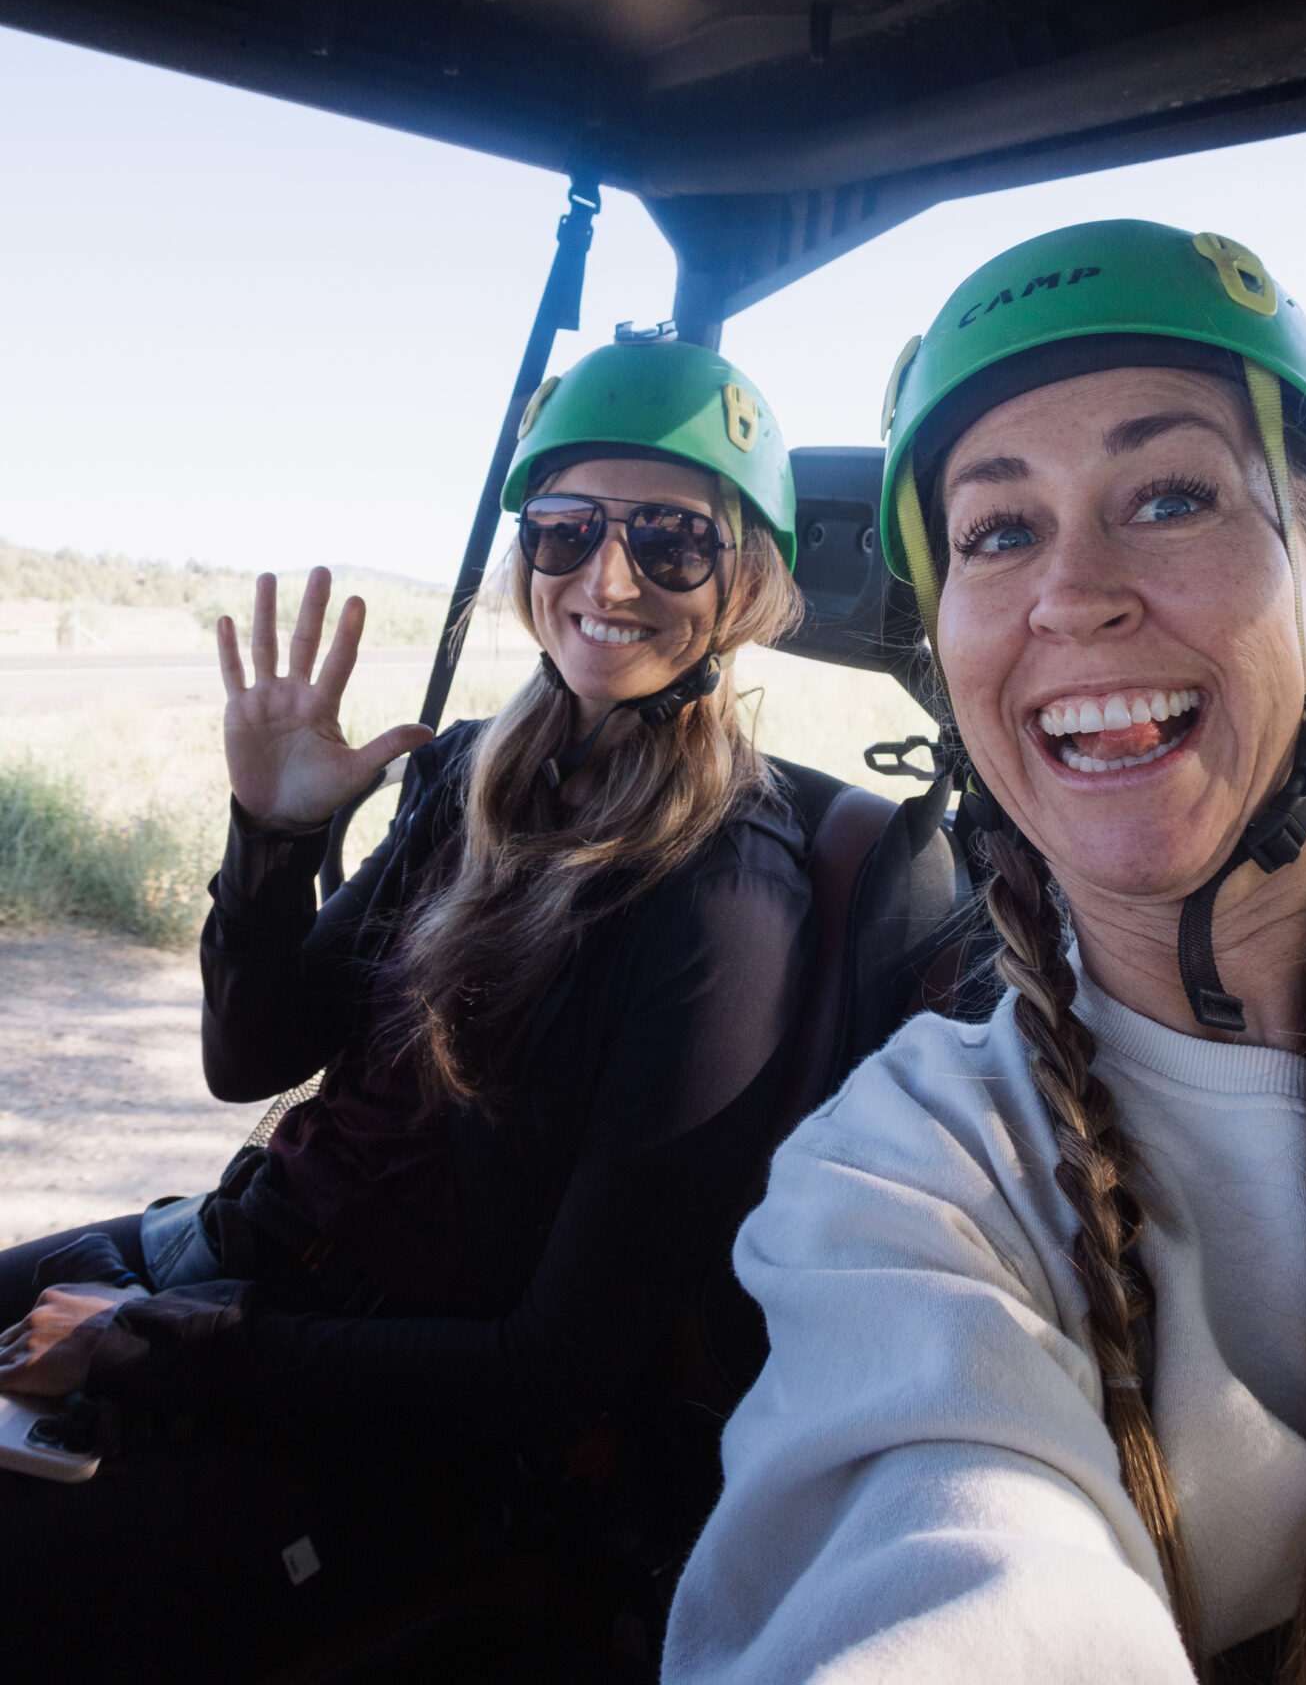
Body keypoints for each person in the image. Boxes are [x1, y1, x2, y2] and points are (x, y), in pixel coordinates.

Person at [0, 339, 813, 1679]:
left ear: (747, 578)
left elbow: (549, 1370)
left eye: (670, 541)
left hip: (402, 1430)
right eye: (565, 531)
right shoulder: (475, 777)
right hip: (233, 1266)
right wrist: (268, 838)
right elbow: (250, 1056)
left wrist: (181, 1352)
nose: (606, 578)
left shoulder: (722, 899)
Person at [662, 221, 1306, 1685]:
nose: (1067, 592)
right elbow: (951, 1580)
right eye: (997, 530)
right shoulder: (912, 1172)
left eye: (1165, 497)